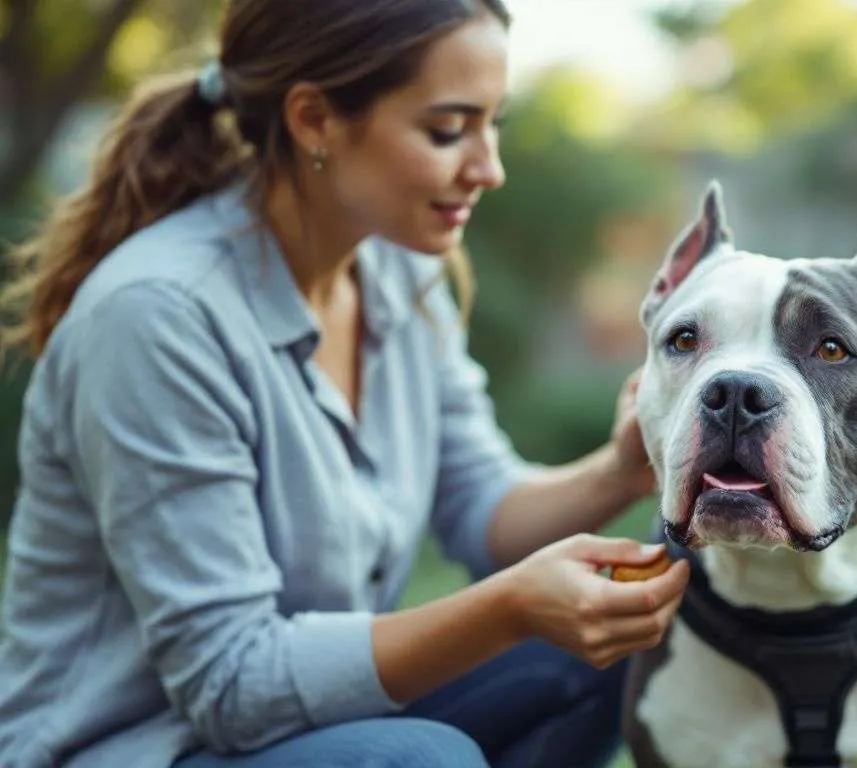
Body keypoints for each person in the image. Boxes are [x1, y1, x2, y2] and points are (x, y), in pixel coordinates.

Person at [0, 1, 690, 766]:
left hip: (307, 730)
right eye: (447, 129)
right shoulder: (158, 318)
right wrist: (510, 607)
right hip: (138, 749)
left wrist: (623, 467)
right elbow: (232, 685)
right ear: (314, 119)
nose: (488, 167)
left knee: (610, 654)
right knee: (413, 760)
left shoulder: (396, 269)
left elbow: (482, 507)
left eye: (491, 123)